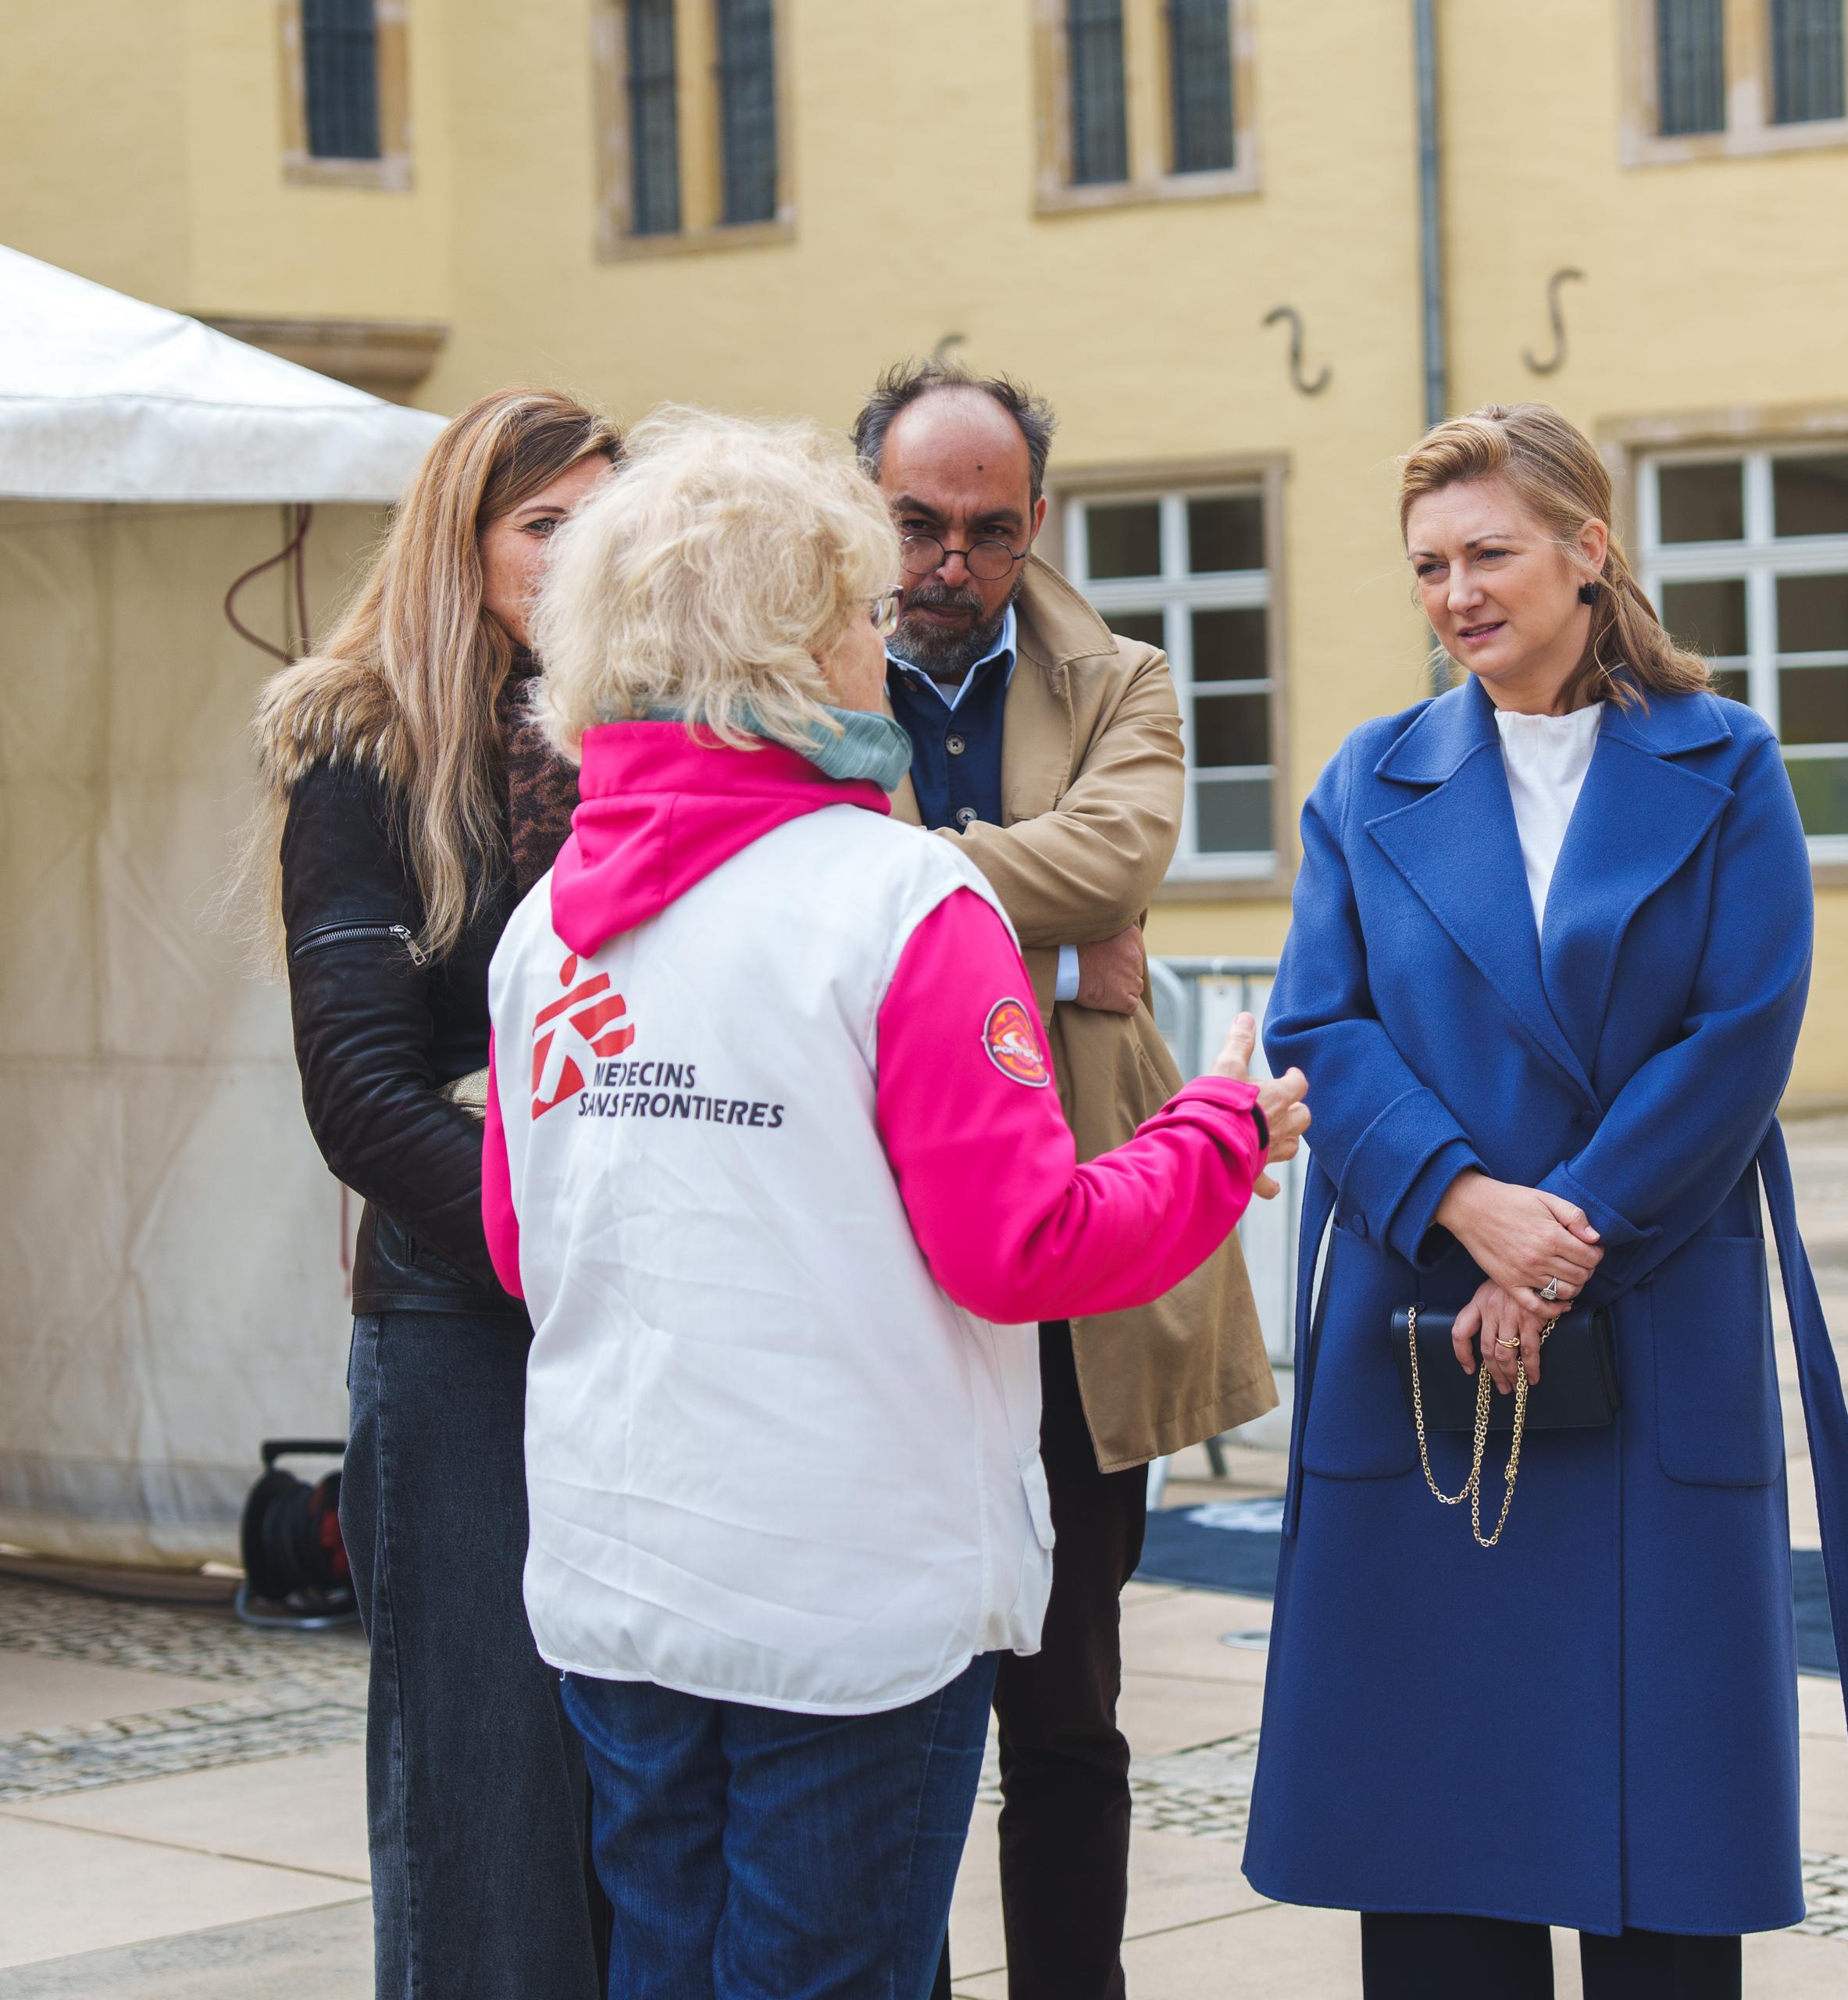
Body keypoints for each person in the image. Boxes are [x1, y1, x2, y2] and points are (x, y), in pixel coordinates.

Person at [485, 408, 1309, 1998]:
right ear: (792, 643)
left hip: (622, 1577)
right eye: (855, 605)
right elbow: (1025, 1244)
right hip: (844, 1589)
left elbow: (532, 1248)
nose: (883, 632)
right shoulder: (901, 902)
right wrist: (1217, 1127)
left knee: (665, 1961)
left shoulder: (548, 934)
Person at [1243, 404, 1848, 2000]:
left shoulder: (1730, 761)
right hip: (1428, 1333)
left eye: (1490, 552)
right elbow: (1319, 1025)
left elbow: (1739, 1032)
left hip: (1645, 1325)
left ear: (1587, 549)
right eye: (1429, 564)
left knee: (1659, 1851)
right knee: (1437, 1841)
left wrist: (1560, 1243)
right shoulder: (1371, 778)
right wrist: (1469, 1204)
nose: (1458, 592)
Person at [850, 357, 1274, 2000]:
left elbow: (1124, 855)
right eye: (916, 522)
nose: (947, 560)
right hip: (876, 1252)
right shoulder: (790, 666)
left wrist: (882, 882)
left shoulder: (1125, 676)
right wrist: (1041, 922)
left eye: (988, 528)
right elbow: (1057, 886)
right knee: (887, 1695)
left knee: (1068, 1701)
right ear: (863, 506)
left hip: (1072, 1244)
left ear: (1041, 523)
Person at [248, 387, 618, 1999]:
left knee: (633, 1777)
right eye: (546, 523)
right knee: (480, 1799)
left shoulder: (651, 736)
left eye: (606, 520)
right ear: (458, 548)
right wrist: (580, 1239)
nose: (582, 552)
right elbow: (363, 1094)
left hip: (636, 1332)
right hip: (461, 1331)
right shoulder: (363, 746)